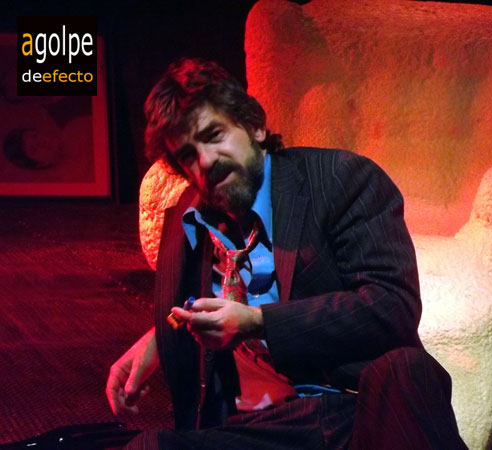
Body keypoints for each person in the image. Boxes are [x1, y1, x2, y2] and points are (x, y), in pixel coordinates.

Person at [106, 58, 467, 449]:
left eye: (214, 135)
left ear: (254, 127)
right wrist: (162, 337)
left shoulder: (340, 179)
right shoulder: (189, 223)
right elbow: (209, 307)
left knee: (407, 370)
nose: (206, 161)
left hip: (354, 408)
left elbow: (392, 305)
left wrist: (258, 322)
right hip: (265, 427)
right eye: (188, 155)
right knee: (148, 447)